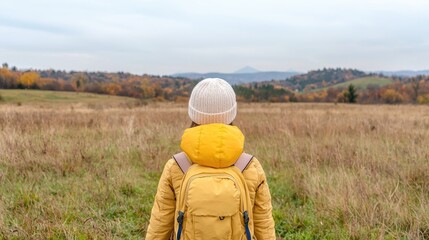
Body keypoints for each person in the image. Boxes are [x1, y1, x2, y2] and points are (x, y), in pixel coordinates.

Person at [146, 78, 276, 240]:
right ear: (231, 114)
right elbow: (264, 224)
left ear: (193, 113)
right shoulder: (250, 166)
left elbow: (160, 223)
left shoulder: (177, 166)